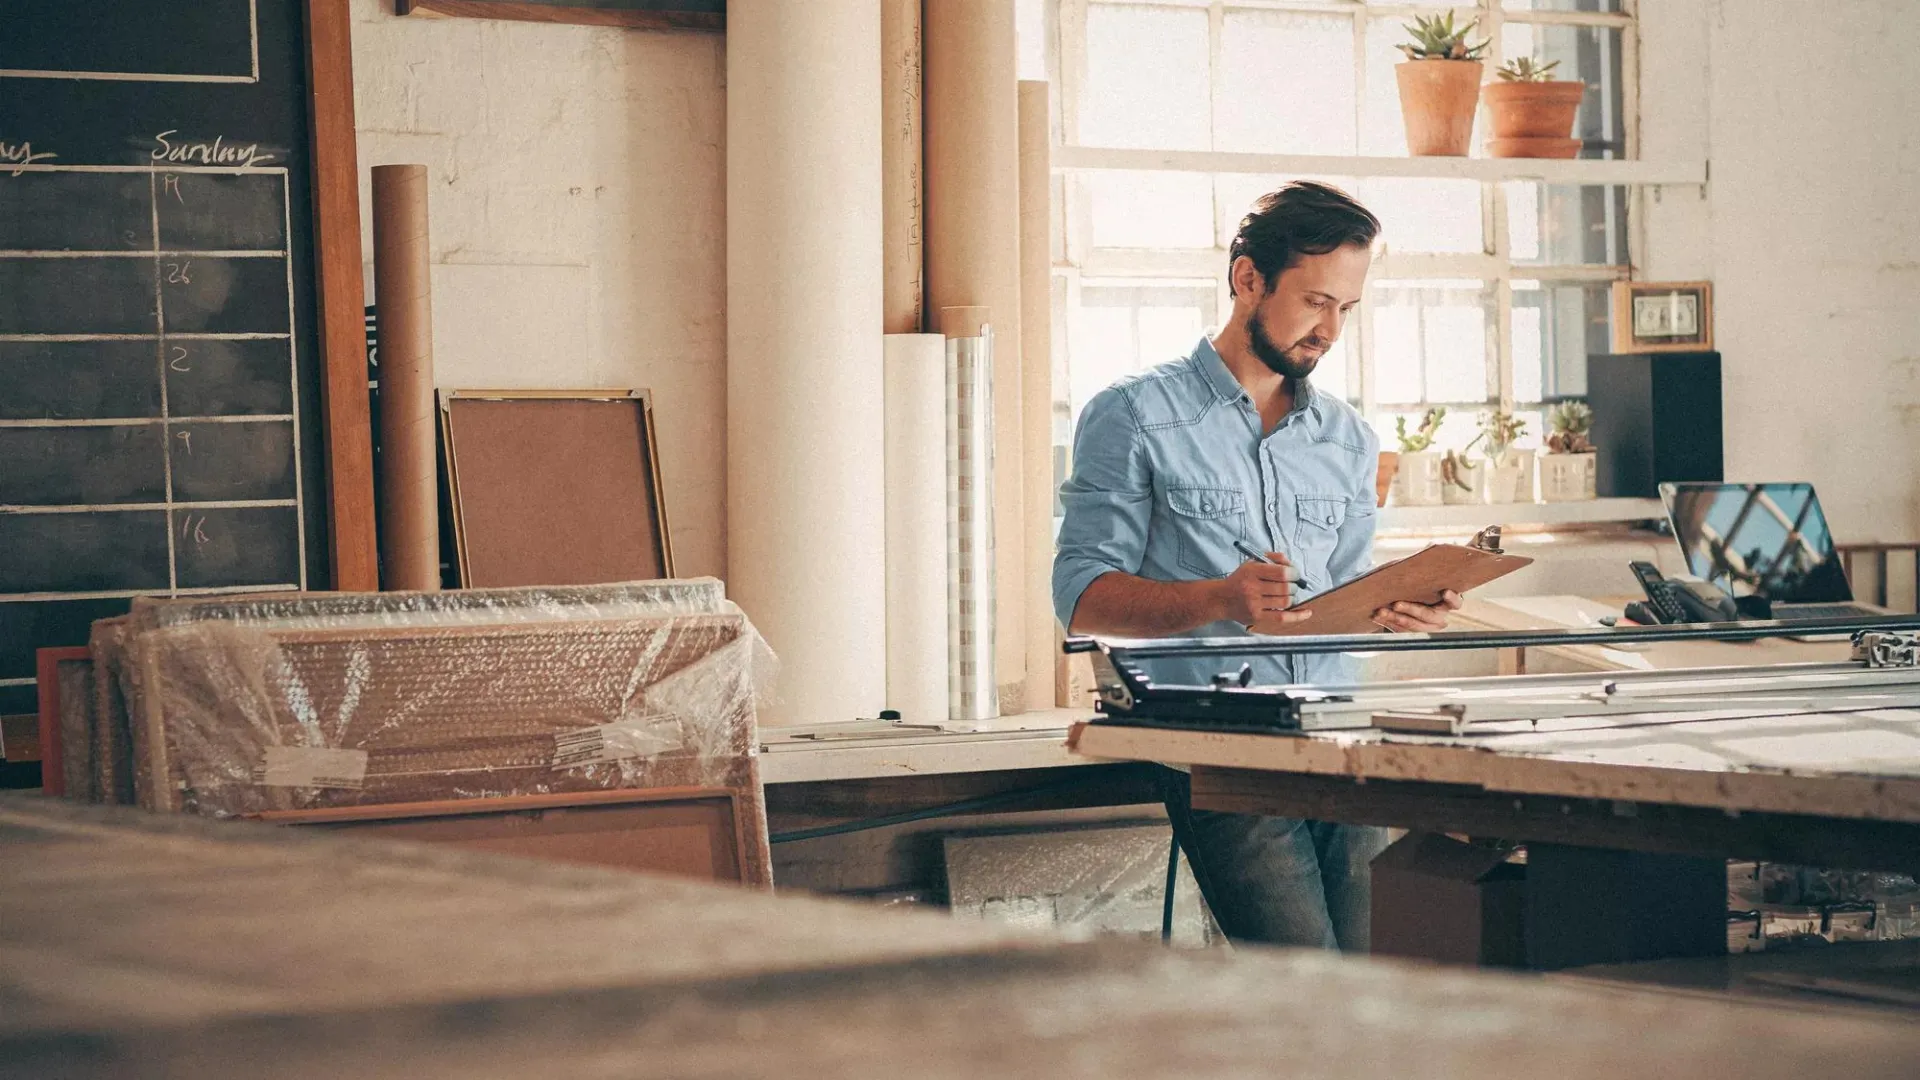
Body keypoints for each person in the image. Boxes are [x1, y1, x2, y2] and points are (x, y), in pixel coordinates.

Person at [1051, 181, 1461, 950]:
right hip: (1222, 752)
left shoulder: (1347, 440)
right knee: (1308, 988)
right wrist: (1218, 597)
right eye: (1315, 301)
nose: (1330, 329)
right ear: (1248, 280)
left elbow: (1335, 597)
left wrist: (1400, 606)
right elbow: (1080, 598)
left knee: (1378, 989)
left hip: (1341, 742)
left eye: (1346, 308)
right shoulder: (1134, 415)